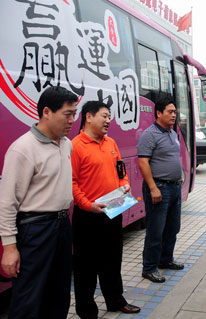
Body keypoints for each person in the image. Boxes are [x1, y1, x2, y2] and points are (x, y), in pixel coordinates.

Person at [0, 86, 78, 319]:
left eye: (74, 113)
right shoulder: (22, 149)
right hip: (35, 230)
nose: (73, 120)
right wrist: (10, 247)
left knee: (60, 293)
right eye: (67, 114)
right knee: (29, 297)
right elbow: (7, 203)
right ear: (46, 112)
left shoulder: (66, 144)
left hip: (62, 226)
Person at [71, 101, 141, 317]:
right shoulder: (76, 146)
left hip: (114, 209)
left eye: (109, 116)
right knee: (86, 267)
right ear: (88, 117)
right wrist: (87, 205)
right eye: (104, 115)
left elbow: (121, 171)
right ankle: (86, 309)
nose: (109, 120)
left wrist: (125, 185)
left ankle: (115, 300)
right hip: (87, 216)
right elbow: (71, 182)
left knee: (113, 260)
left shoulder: (111, 143)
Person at [138, 96, 184, 283]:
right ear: (158, 113)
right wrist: (152, 187)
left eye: (175, 112)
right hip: (159, 188)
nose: (174, 115)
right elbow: (143, 162)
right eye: (170, 112)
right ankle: (149, 268)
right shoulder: (149, 134)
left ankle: (165, 259)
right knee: (155, 230)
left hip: (174, 187)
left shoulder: (172, 133)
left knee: (173, 227)